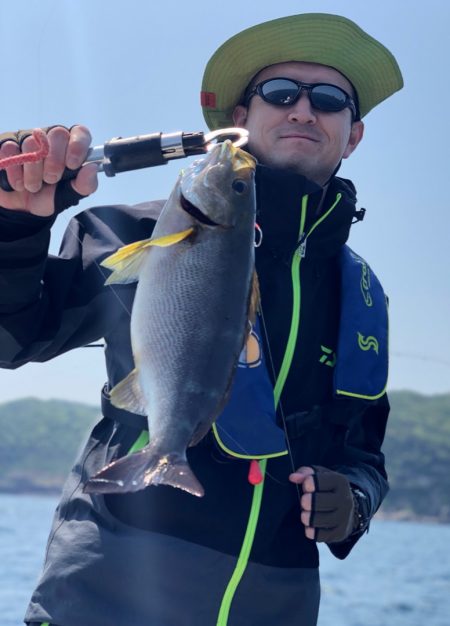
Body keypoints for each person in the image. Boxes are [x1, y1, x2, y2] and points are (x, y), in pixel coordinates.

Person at [0, 12, 403, 626]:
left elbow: (364, 455)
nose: (302, 110)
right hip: (108, 595)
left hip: (278, 602)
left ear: (353, 137)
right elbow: (13, 337)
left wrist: (356, 501)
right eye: (279, 92)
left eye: (328, 100)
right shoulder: (136, 234)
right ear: (238, 122)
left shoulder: (362, 295)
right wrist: (16, 228)